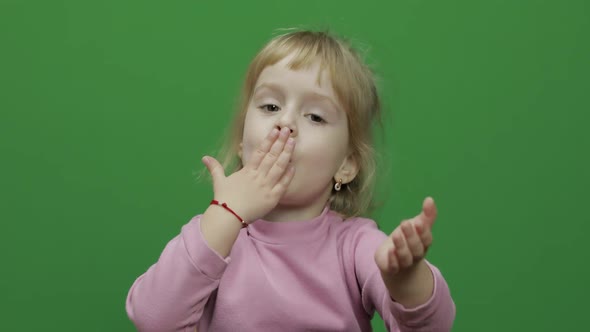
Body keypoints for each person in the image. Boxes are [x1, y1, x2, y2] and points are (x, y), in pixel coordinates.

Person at [125, 29, 455, 332]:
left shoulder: (354, 246)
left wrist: (406, 279)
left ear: (346, 166)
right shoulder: (215, 237)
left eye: (314, 116)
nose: (286, 122)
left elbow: (432, 328)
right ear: (243, 143)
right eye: (270, 106)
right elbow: (153, 318)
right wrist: (224, 214)